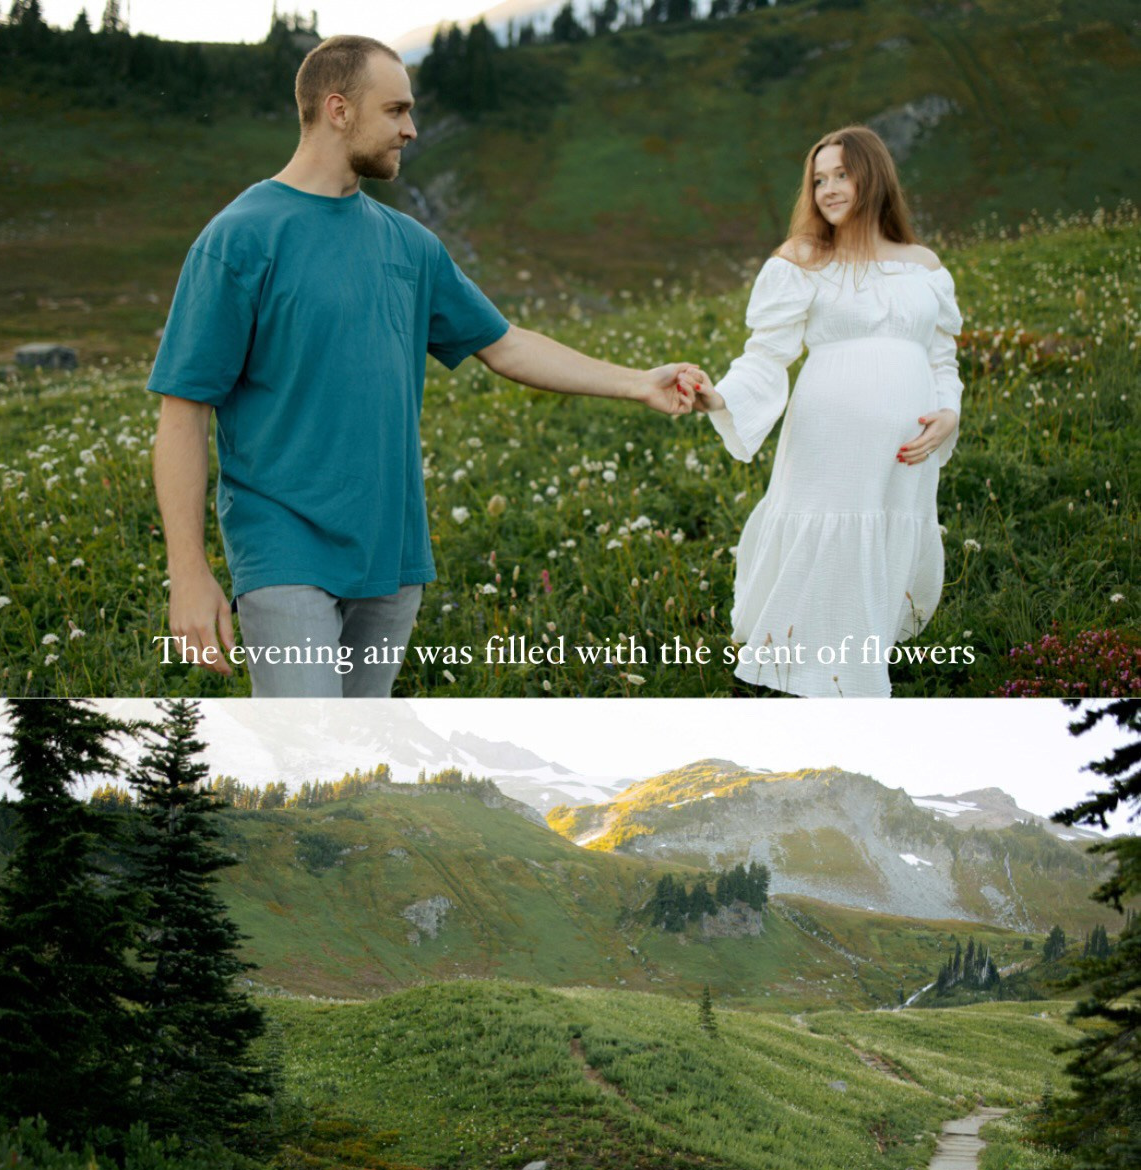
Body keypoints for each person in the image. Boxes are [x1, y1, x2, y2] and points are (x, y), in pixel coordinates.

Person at [148, 36, 705, 698]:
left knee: (354, 769)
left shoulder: (410, 244)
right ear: (337, 109)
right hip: (283, 546)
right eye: (396, 110)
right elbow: (182, 412)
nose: (411, 129)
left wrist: (638, 382)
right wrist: (188, 572)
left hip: (394, 552)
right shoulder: (239, 238)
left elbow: (505, 344)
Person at [691, 127, 963, 699]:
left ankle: (859, 659)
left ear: (875, 176)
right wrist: (721, 396)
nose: (829, 189)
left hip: (905, 447)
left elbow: (942, 356)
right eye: (819, 180)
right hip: (828, 436)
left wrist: (950, 412)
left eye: (843, 174)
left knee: (879, 530)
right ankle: (798, 668)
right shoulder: (805, 260)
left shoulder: (924, 267)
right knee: (826, 529)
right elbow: (767, 352)